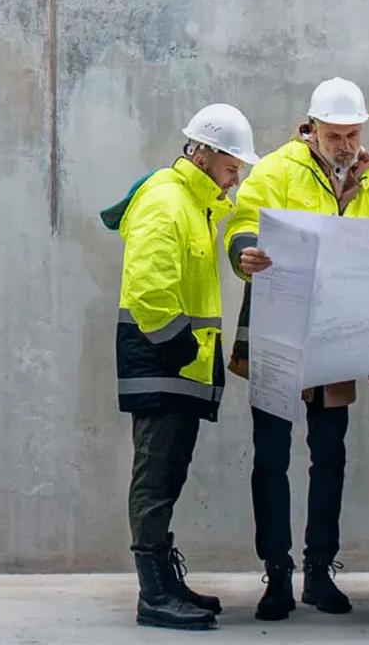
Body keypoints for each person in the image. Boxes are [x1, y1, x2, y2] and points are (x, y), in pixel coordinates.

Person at [224, 77, 369, 621]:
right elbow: (243, 222)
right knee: (271, 457)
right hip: (277, 325)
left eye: (352, 134)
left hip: (337, 332)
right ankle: (277, 574)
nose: (344, 144)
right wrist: (245, 251)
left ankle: (319, 572)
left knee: (331, 457)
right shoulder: (275, 170)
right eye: (334, 133)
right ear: (311, 126)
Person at [102, 103, 260, 631]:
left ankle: (165, 581)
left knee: (168, 474)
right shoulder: (167, 200)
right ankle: (153, 595)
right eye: (233, 164)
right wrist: (179, 349)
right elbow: (149, 288)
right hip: (163, 362)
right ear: (206, 153)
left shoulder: (195, 203)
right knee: (154, 476)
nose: (236, 175)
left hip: (180, 365)